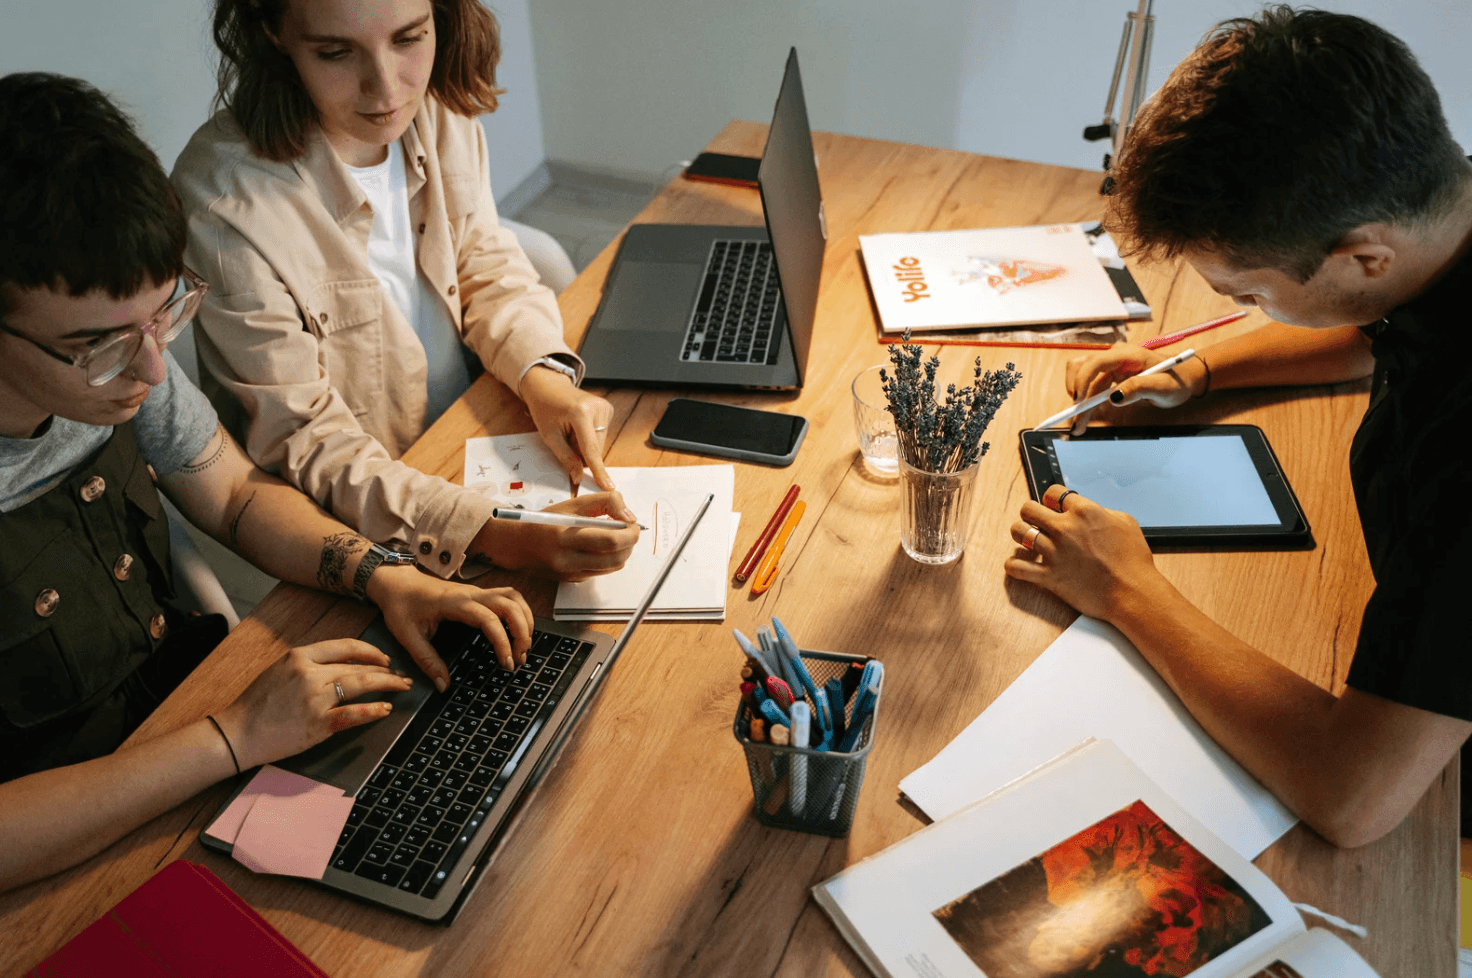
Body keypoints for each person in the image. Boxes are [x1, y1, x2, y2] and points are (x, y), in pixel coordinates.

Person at [0, 72, 539, 893]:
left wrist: (383, 573)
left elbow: (237, 494)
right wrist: (234, 735)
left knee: (472, 835)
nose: (151, 366)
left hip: (182, 736)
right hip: (73, 841)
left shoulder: (115, 356)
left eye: (164, 315)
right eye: (100, 345)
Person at [1005, 6, 1472, 849]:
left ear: (1364, 254)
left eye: (1248, 295)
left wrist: (1126, 588)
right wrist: (1200, 371)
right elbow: (1381, 325)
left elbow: (1351, 796)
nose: (1237, 313)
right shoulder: (1439, 210)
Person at [172, 0, 637, 585]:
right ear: (273, 32)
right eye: (336, 52)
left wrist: (541, 379)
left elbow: (482, 261)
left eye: (409, 37)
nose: (387, 88)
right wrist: (489, 529)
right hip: (358, 532)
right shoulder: (224, 207)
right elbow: (306, 440)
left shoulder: (437, 106)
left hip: (464, 442)